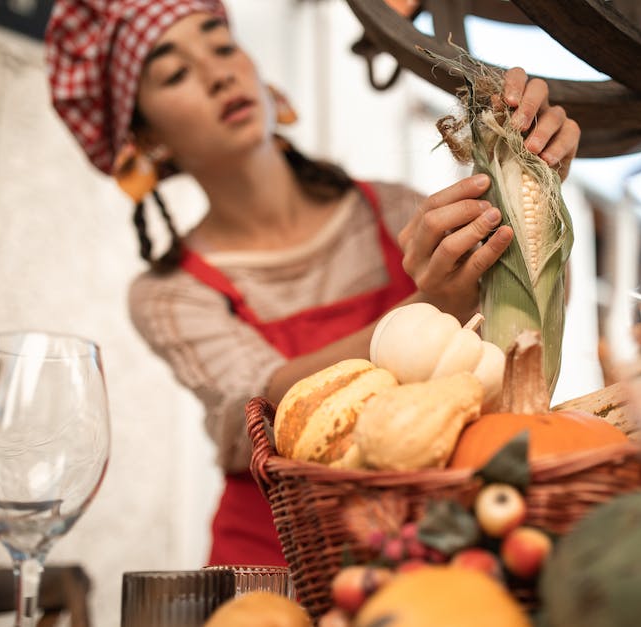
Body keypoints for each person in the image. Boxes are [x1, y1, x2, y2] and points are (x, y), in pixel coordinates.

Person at [45, 0, 580, 567]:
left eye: (222, 46)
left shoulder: (394, 210)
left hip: (426, 541)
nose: (218, 73)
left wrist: (531, 188)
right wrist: (433, 304)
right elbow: (268, 400)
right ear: (145, 137)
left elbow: (519, 351)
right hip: (277, 560)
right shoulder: (171, 292)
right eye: (175, 73)